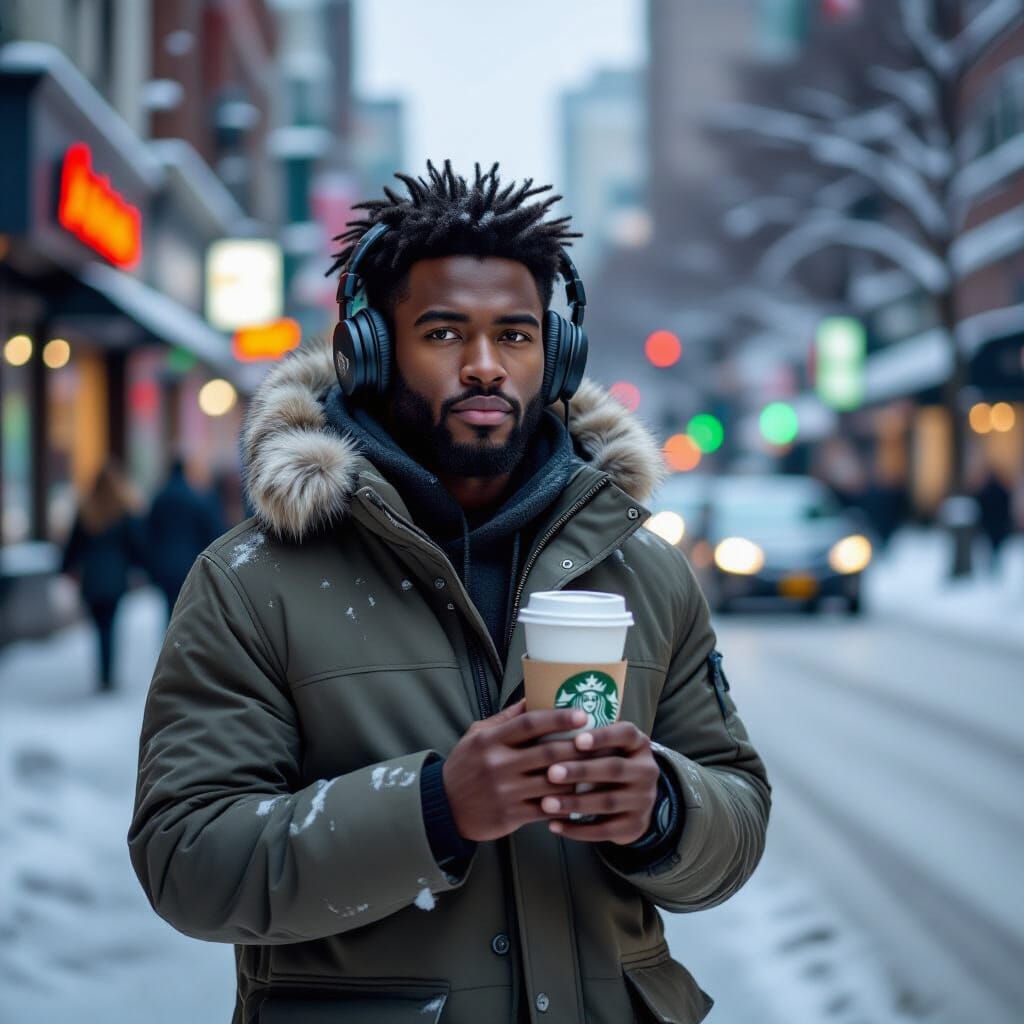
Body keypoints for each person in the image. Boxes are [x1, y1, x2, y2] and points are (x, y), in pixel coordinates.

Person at [128, 161, 770, 1024]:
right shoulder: (253, 582)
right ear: (369, 355)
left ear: (558, 353)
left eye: (514, 335)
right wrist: (433, 811)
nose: (484, 367)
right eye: (441, 334)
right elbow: (187, 862)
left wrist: (663, 808)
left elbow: (737, 811)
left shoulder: (647, 572)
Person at [61, 458, 145, 692]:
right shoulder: (124, 512)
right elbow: (136, 546)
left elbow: (73, 546)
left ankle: (103, 673)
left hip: (91, 579)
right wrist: (141, 567)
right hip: (115, 578)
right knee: (111, 625)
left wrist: (64, 569)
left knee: (99, 627)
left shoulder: (86, 511)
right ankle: (108, 674)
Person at [144, 457, 225, 622]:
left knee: (169, 605)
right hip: (189, 560)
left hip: (164, 563)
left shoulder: (159, 498)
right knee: (186, 605)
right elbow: (208, 529)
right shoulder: (195, 498)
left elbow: (149, 532)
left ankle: (170, 637)